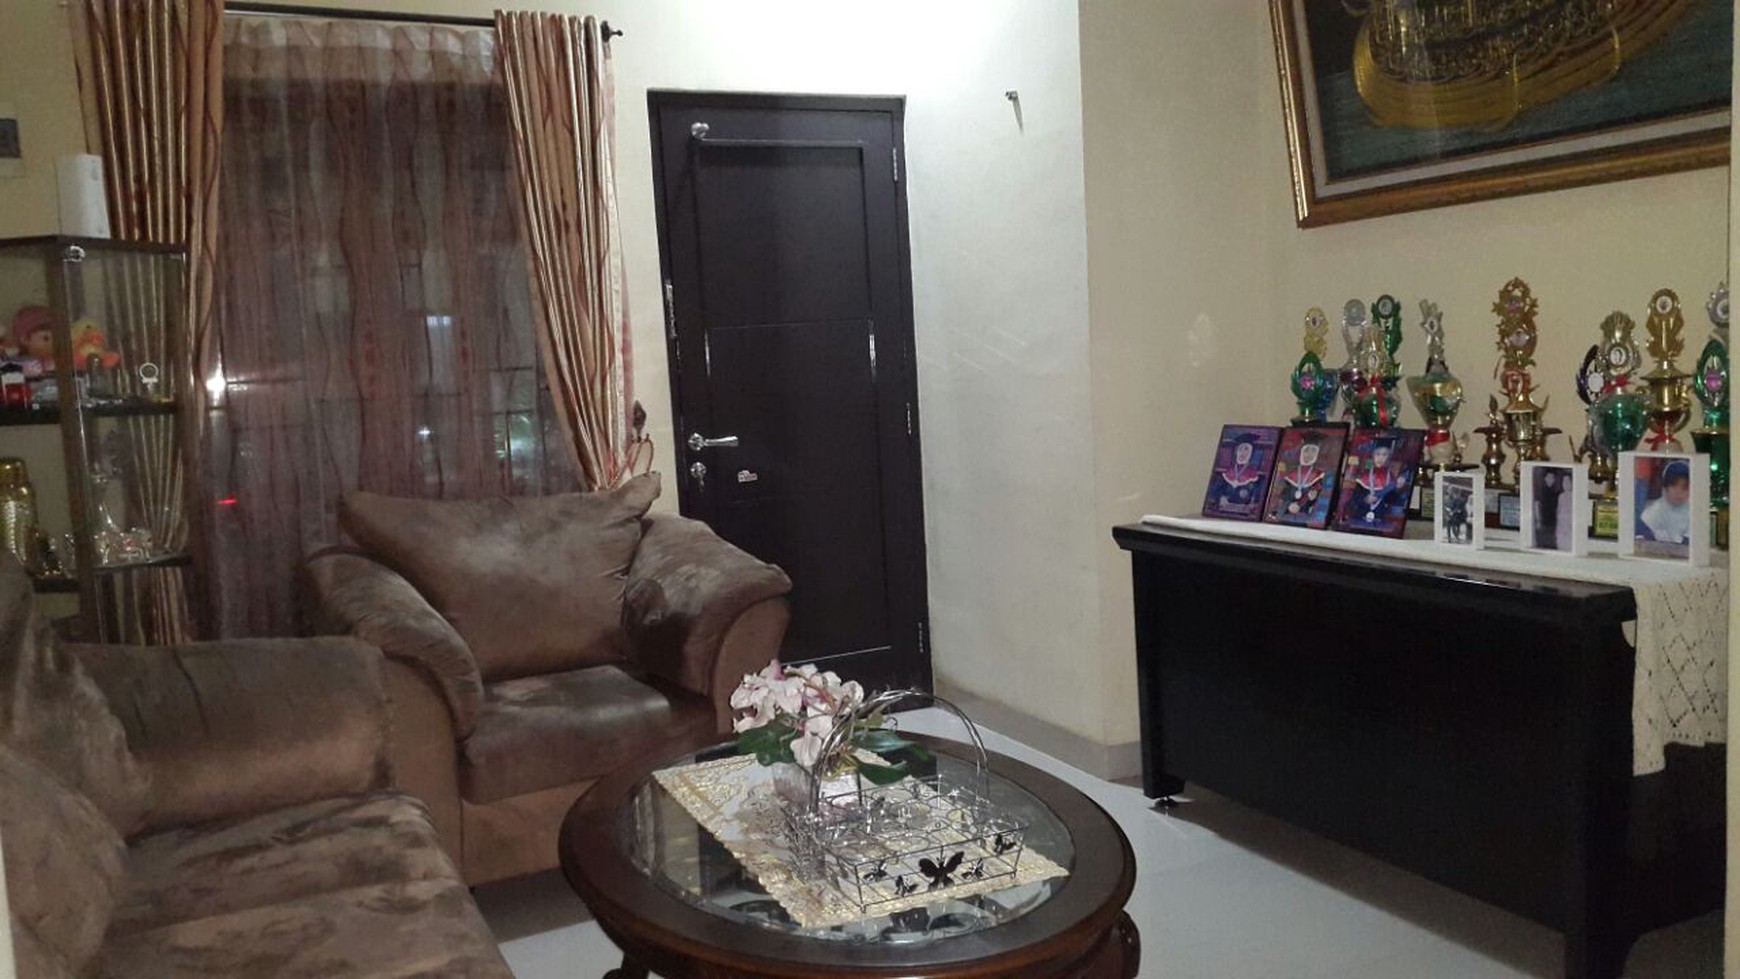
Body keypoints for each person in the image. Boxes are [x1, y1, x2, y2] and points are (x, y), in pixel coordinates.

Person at [1639, 461, 1692, 544]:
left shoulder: (1693, 512)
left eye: (1684, 488)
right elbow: (1642, 537)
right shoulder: (1654, 511)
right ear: (1665, 488)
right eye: (1674, 486)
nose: (1678, 492)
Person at [1209, 437, 1264, 510]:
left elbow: (1256, 500)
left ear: (1251, 453)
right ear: (1236, 452)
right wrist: (1219, 499)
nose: (1242, 453)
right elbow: (1215, 494)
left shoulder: (1255, 477)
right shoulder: (1227, 473)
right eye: (1240, 449)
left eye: (1246, 449)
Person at [1352, 439, 1399, 524]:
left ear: (1389, 457)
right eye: (1377, 454)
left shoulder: (1391, 478)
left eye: (1384, 455)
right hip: (1359, 518)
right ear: (1373, 455)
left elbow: (1393, 501)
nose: (1380, 458)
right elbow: (1355, 497)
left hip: (1380, 520)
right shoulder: (1364, 475)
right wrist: (1364, 499)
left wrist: (1396, 489)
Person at [1277, 439, 1328, 516]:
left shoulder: (1319, 474)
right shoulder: (1291, 471)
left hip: (1306, 512)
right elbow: (1285, 491)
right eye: (1307, 450)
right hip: (1287, 509)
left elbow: (1319, 493)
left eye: (1313, 451)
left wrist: (1312, 498)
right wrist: (1289, 505)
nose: (1309, 454)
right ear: (1301, 452)